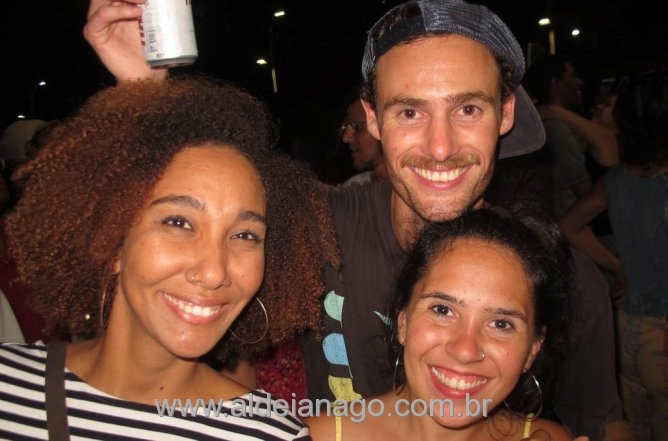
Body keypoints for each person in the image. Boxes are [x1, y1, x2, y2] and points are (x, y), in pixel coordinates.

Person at [82, 0, 631, 439]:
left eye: (467, 109)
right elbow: (192, 195)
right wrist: (145, 90)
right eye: (409, 111)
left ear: (505, 111)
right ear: (372, 117)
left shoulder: (560, 275)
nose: (440, 147)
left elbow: (604, 422)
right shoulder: (314, 225)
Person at [0, 76, 340, 439]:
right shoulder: (9, 385)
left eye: (245, 235)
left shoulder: (269, 434)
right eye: (179, 223)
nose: (214, 272)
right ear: (112, 241)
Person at [307, 208, 578, 440]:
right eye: (442, 310)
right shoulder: (315, 436)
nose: (465, 351)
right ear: (403, 320)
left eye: (501, 324)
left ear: (533, 348)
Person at [560, 70, 668, 441]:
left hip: (627, 331)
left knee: (636, 428)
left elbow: (570, 224)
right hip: (663, 332)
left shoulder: (618, 180)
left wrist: (619, 266)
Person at [522, 54, 620, 221]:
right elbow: (584, 191)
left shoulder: (560, 122)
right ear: (555, 84)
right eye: (573, 76)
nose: (579, 82)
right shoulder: (558, 129)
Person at [339, 84, 389, 185]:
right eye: (346, 127)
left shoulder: (419, 187)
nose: (345, 138)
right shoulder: (352, 189)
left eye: (356, 126)